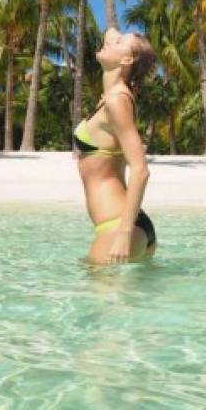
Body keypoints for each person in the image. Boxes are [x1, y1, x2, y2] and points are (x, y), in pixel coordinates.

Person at [73, 26, 157, 264]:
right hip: (125, 225)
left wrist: (123, 233)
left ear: (127, 59)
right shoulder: (114, 96)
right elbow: (110, 32)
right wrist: (119, 41)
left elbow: (141, 170)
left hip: (119, 226)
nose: (110, 42)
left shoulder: (117, 101)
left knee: (98, 300)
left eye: (119, 43)